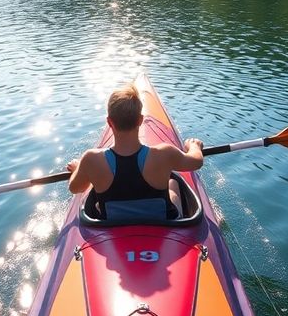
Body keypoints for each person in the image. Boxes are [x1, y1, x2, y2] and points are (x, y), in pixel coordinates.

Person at [67, 84, 203, 220]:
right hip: (162, 223)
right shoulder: (164, 154)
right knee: (173, 184)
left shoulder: (91, 160)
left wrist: (78, 169)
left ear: (109, 122)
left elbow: (75, 188)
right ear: (140, 120)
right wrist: (194, 146)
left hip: (115, 226)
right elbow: (196, 162)